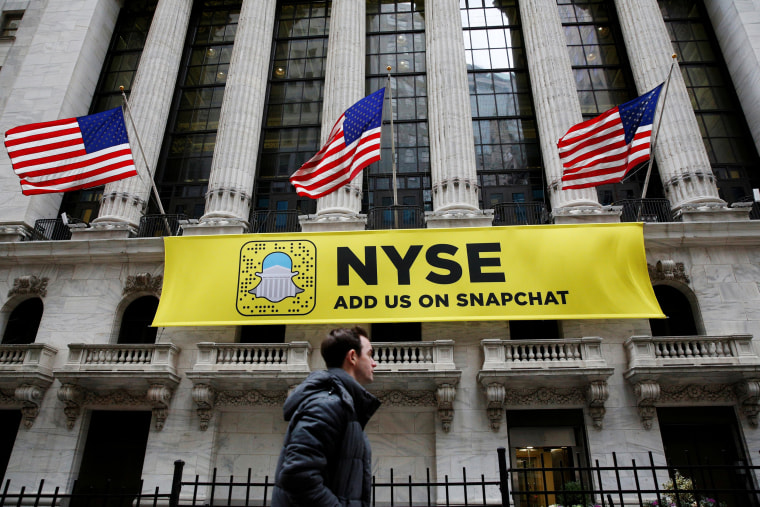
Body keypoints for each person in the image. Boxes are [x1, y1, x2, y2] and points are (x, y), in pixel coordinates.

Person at [272, 326, 380, 507]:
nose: (374, 363)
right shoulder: (327, 404)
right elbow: (298, 476)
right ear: (352, 356)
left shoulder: (341, 403)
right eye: (370, 354)